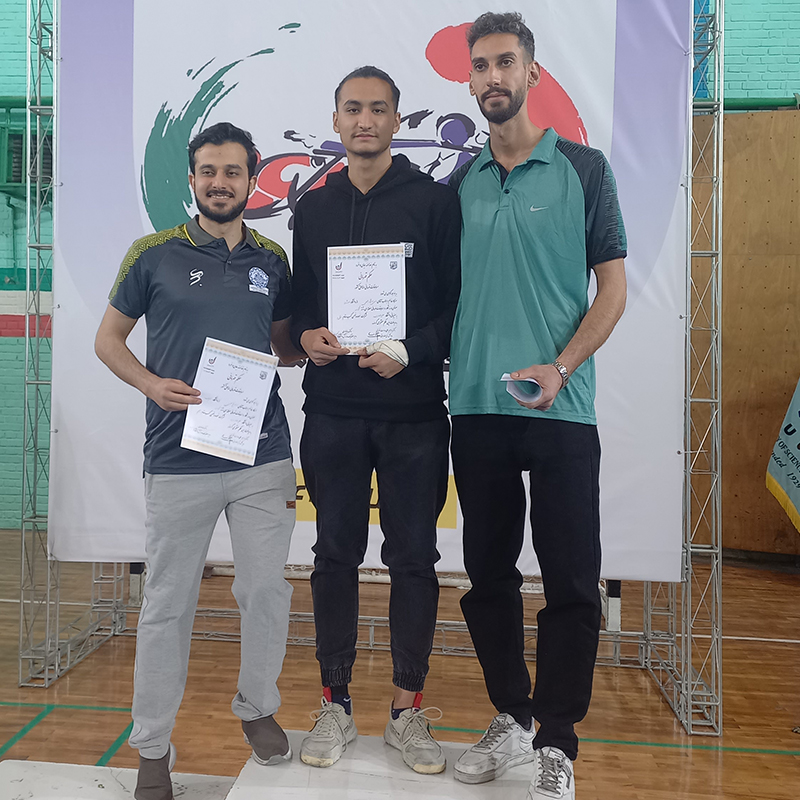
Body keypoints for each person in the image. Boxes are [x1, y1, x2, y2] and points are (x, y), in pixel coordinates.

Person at [447, 13, 628, 800]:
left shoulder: (584, 169)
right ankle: (514, 718)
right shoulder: (458, 184)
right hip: (476, 408)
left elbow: (613, 289)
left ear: (531, 72)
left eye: (505, 62)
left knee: (572, 583)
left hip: (562, 409)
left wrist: (561, 367)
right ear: (470, 79)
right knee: (487, 579)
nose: (493, 76)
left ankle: (557, 740)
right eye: (481, 65)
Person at [95, 121, 304, 800]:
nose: (220, 182)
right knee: (167, 605)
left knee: (266, 591)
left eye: (232, 172)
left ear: (252, 180)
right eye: (208, 171)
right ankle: (152, 748)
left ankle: (258, 707)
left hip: (261, 455)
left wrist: (323, 343)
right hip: (177, 459)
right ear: (192, 180)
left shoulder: (272, 259)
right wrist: (152, 385)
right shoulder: (152, 254)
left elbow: (283, 347)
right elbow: (108, 340)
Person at [290, 66, 461, 775]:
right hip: (332, 413)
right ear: (336, 120)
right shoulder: (312, 208)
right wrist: (307, 335)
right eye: (353, 109)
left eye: (379, 109)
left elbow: (456, 308)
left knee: (414, 560)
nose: (365, 120)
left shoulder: (435, 201)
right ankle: (334, 703)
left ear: (396, 120)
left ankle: (406, 710)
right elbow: (301, 305)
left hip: (414, 415)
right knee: (333, 557)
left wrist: (412, 350)